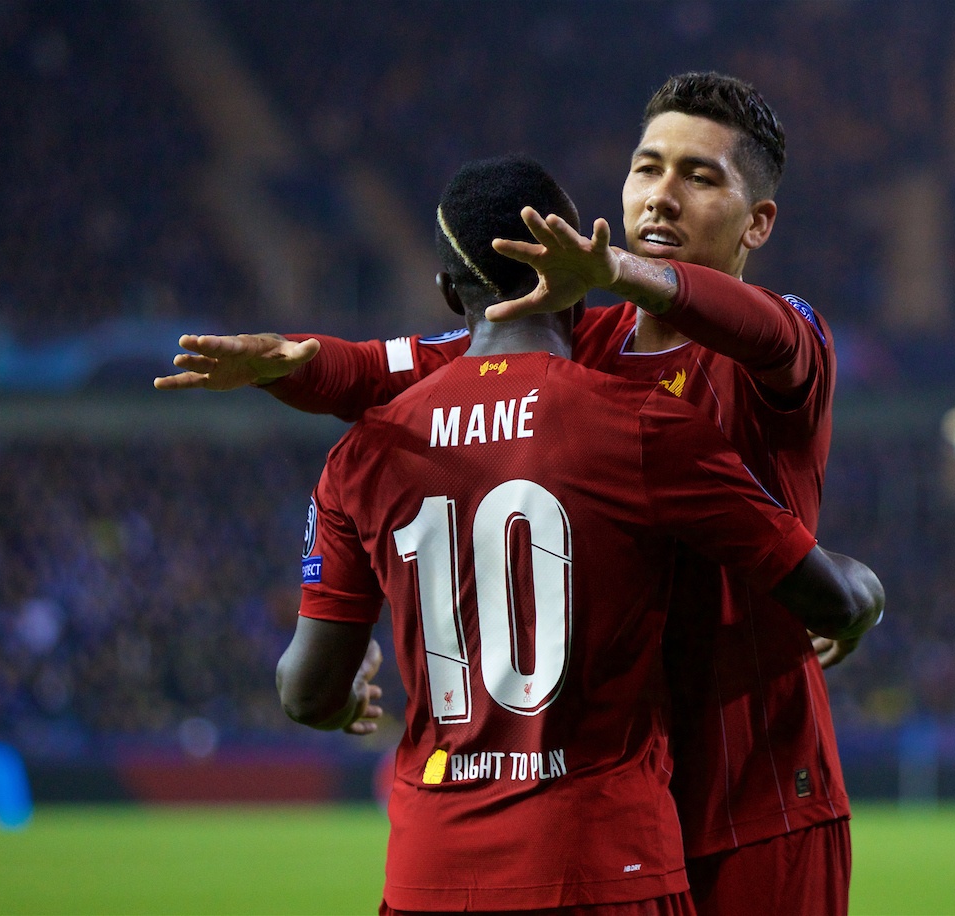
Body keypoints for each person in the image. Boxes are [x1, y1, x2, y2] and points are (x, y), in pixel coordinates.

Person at [158, 72, 861, 914]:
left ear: (759, 221)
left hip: (758, 803)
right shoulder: (582, 349)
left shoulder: (787, 346)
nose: (662, 196)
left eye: (700, 177)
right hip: (624, 810)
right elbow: (402, 366)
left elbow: (758, 325)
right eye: (648, 168)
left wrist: (620, 268)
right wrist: (295, 361)